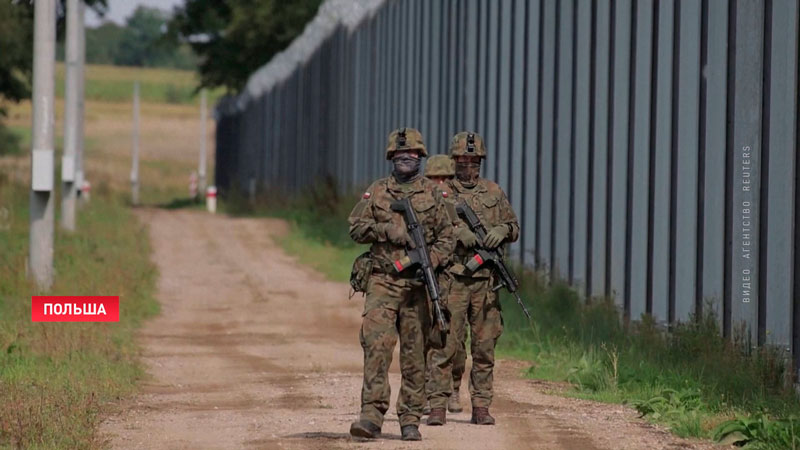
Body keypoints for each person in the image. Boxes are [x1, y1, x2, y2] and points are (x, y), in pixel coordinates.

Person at [348, 127, 455, 441]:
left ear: (420, 157)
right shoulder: (378, 191)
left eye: (412, 154)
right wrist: (387, 230)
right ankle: (370, 416)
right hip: (383, 280)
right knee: (376, 345)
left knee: (414, 352)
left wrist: (429, 261)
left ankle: (410, 418)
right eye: (399, 153)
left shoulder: (434, 195)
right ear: (390, 157)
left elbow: (447, 239)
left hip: (417, 286)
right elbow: (355, 227)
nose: (405, 157)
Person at [426, 132, 519, 426]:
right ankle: (438, 405)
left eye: (473, 161)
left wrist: (503, 231)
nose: (468, 167)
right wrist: (457, 233)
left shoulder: (493, 192)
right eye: (463, 161)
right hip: (453, 278)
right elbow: (429, 227)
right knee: (445, 344)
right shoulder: (441, 193)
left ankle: (481, 406)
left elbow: (513, 226)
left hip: (485, 282)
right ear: (454, 162)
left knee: (484, 346)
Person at [422, 154, 467, 416]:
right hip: (424, 276)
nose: (440, 183)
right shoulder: (419, 203)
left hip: (454, 278)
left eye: (445, 178)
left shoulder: (459, 206)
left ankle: (454, 386)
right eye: (435, 178)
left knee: (454, 340)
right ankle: (429, 393)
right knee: (424, 336)